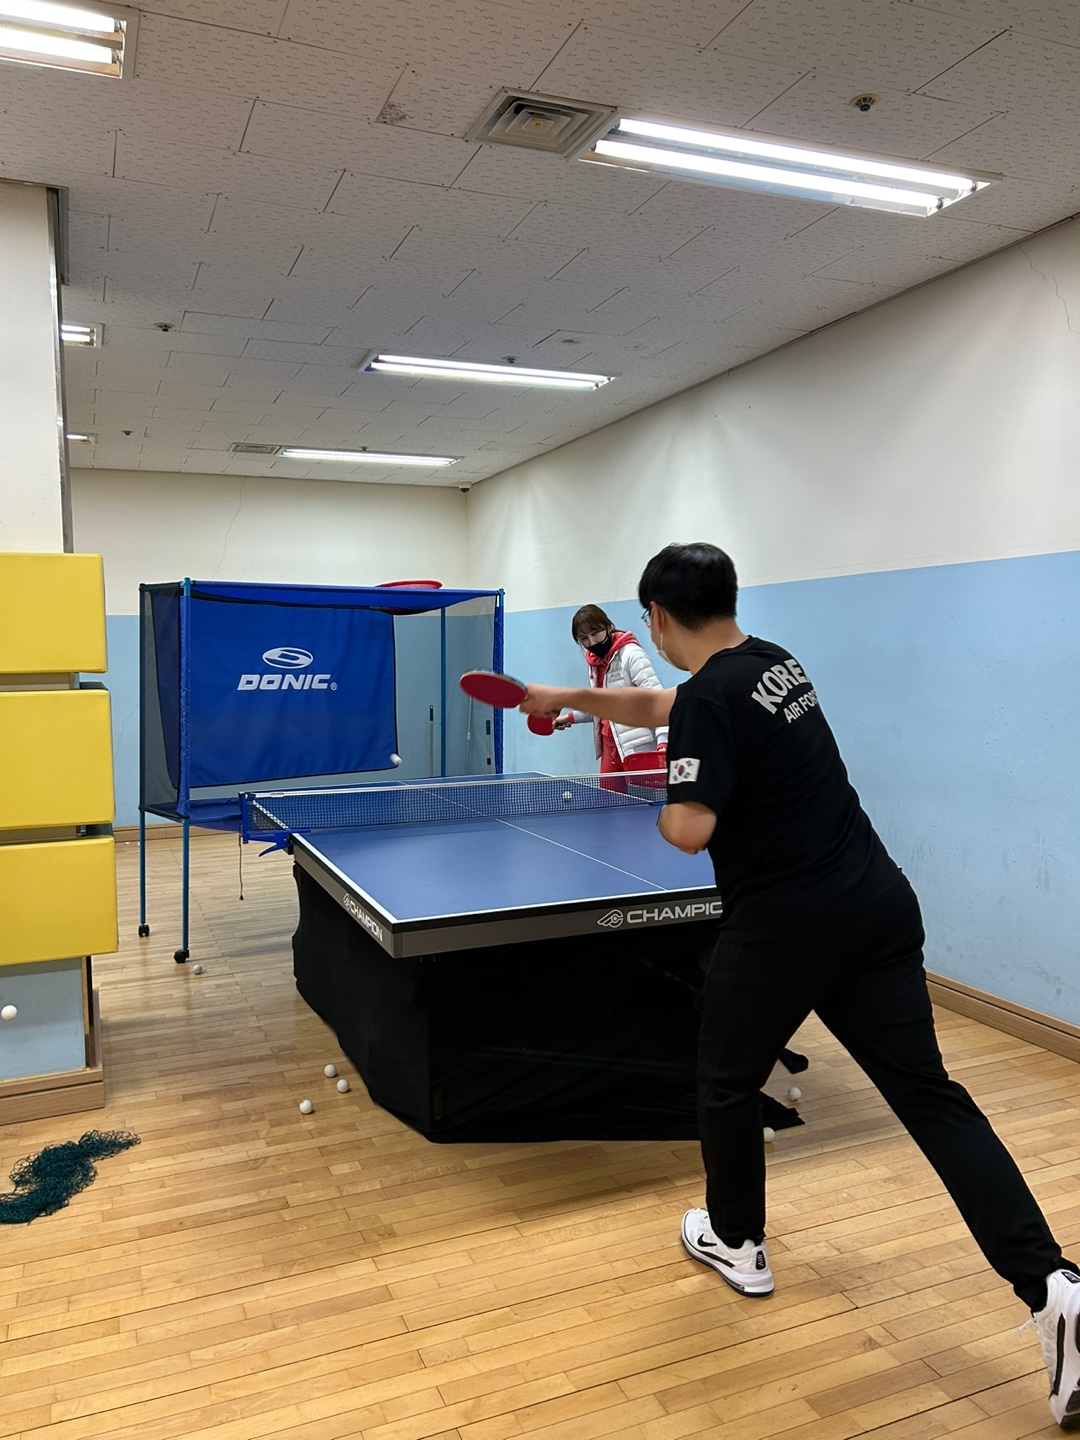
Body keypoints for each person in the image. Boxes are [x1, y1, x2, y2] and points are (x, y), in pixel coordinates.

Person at [520, 542, 1080, 1430]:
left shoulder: (710, 697)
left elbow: (687, 830)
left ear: (656, 619)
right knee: (932, 1099)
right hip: (876, 906)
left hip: (785, 928)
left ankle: (737, 1239)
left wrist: (665, 793)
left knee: (723, 1080)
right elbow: (671, 706)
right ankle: (1053, 1285)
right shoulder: (773, 663)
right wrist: (567, 697)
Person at [554, 604, 667, 774]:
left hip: (637, 747)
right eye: (584, 638)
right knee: (607, 792)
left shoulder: (632, 655)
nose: (591, 642)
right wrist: (568, 718)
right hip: (610, 748)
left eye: (595, 633)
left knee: (643, 793)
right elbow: (603, 706)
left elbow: (658, 701)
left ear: (608, 627)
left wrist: (663, 742)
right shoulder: (594, 664)